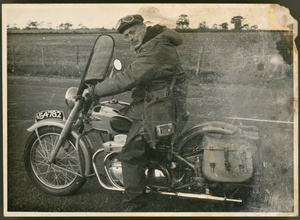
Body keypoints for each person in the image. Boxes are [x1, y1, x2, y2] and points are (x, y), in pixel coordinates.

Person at [87, 14, 188, 211]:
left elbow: (130, 76)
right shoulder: (154, 42)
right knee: (121, 115)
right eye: (126, 36)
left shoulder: (155, 46)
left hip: (161, 106)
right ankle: (148, 165)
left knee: (131, 154)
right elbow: (145, 76)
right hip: (158, 99)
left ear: (143, 27)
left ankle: (135, 204)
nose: (130, 37)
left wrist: (95, 91)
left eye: (133, 32)